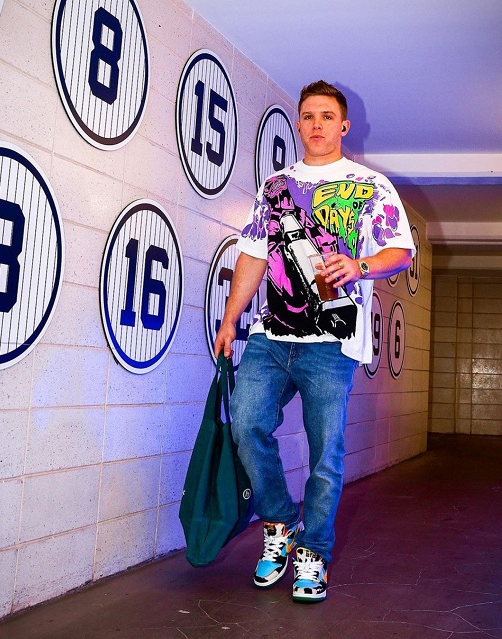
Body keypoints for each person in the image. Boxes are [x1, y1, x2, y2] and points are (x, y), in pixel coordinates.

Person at [213, 80, 414, 603]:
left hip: (332, 340)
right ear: (298, 125)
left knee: (326, 451)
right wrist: (231, 318)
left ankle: (314, 553)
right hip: (270, 334)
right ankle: (279, 524)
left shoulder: (370, 185)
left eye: (328, 116)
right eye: (308, 116)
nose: (318, 124)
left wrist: (359, 264)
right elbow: (253, 253)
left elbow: (400, 250)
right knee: (249, 423)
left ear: (344, 126)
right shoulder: (275, 186)